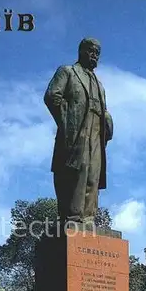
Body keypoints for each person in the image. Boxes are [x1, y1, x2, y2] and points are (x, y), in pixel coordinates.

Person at [44, 38, 113, 225]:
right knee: (77, 172)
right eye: (91, 51)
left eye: (97, 53)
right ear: (81, 51)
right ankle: (72, 217)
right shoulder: (67, 72)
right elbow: (52, 96)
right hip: (76, 131)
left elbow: (103, 108)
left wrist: (107, 119)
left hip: (97, 133)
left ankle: (89, 218)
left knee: (93, 174)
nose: (94, 55)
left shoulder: (99, 84)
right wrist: (69, 122)